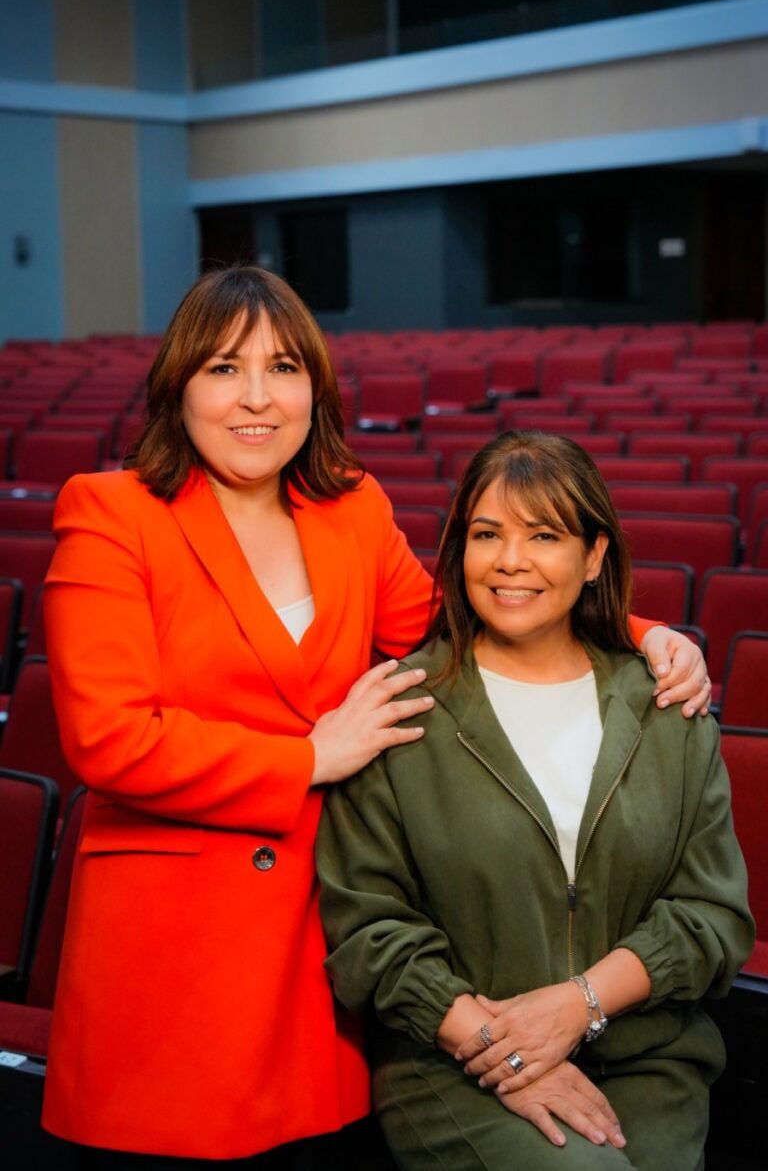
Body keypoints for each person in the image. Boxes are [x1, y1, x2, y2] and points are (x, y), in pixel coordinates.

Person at [43, 269, 712, 1168]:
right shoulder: (112, 512)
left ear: (313, 388)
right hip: (175, 947)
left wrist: (642, 631)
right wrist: (309, 755)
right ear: (178, 386)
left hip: (312, 938)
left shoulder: (349, 507)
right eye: (221, 368)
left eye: (282, 368)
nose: (254, 397)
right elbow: (106, 736)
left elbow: (457, 624)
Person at [318, 430, 754, 1171]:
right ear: (458, 552)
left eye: (543, 535)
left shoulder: (665, 707)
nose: (510, 561)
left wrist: (578, 1003)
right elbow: (369, 928)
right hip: (456, 1062)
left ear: (593, 557)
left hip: (650, 1058)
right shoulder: (400, 709)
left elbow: (713, 916)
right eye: (486, 534)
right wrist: (506, 1045)